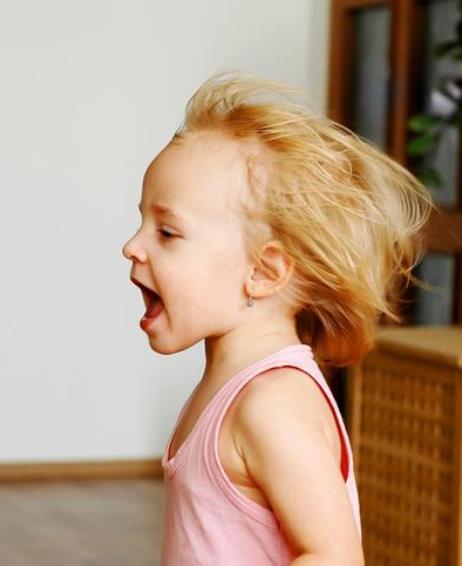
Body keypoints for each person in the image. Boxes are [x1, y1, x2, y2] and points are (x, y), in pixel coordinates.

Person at [121, 72, 434, 565]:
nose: (132, 246)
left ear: (263, 272)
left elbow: (335, 557)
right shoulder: (231, 391)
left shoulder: (272, 404)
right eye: (141, 222)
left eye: (167, 232)